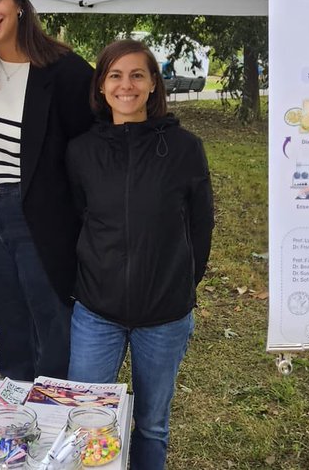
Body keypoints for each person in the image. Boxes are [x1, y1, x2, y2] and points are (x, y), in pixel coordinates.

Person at [65, 39, 213, 470]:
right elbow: (79, 218)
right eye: (115, 75)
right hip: (97, 312)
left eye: (137, 75)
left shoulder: (186, 148)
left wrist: (182, 281)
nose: (125, 85)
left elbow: (200, 224)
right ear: (101, 86)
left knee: (151, 425)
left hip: (164, 314)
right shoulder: (81, 151)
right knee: (88, 419)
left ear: (153, 85)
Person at [0, 0, 94, 381]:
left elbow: (93, 153)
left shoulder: (65, 71)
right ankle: (17, 419)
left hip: (41, 214)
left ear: (18, 2)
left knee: (54, 324)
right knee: (9, 324)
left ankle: (57, 413)